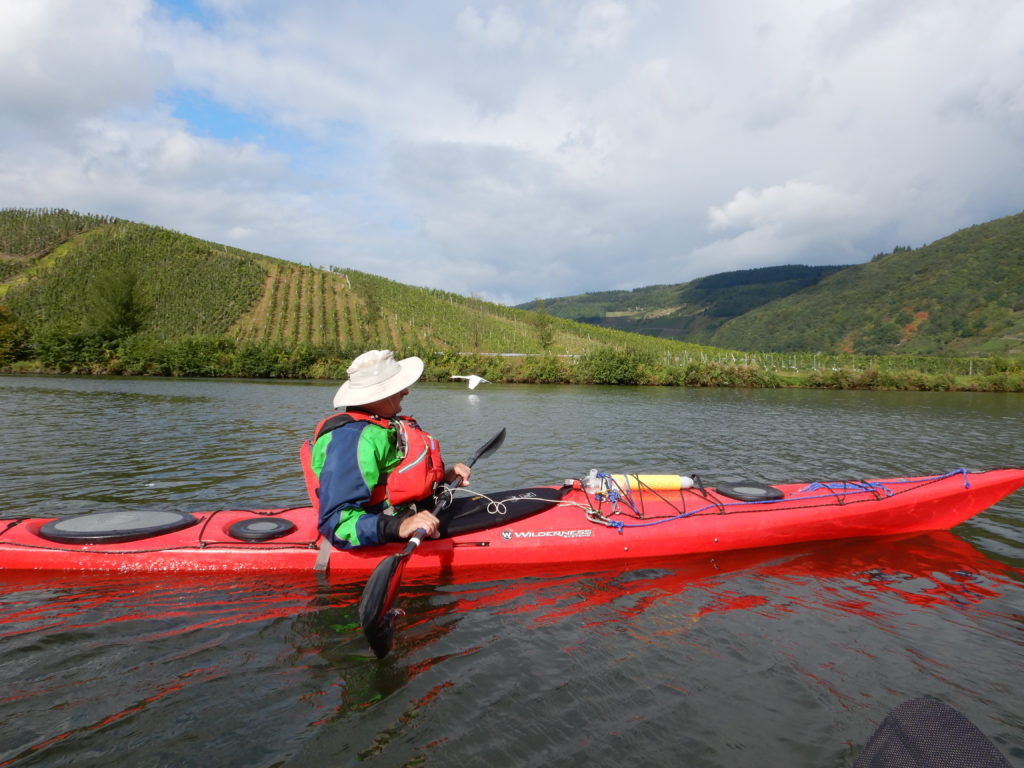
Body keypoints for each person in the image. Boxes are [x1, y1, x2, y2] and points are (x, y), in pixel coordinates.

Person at [303, 349, 471, 550]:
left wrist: (443, 477)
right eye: (399, 386)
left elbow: (392, 480)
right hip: (383, 531)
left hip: (419, 515)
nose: (406, 391)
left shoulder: (381, 425)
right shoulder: (351, 439)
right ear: (378, 395)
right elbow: (338, 524)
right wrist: (401, 526)